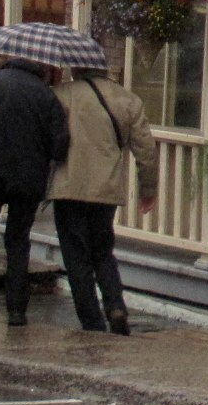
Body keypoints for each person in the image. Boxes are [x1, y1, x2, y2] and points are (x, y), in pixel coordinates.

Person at [0, 57, 69, 325]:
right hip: (28, 179)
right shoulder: (46, 95)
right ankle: (17, 308)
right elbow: (60, 145)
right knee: (18, 239)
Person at [48, 66, 154, 334]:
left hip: (68, 186)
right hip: (105, 188)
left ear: (77, 68)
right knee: (102, 250)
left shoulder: (61, 94)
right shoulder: (129, 100)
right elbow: (146, 150)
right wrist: (148, 189)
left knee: (76, 256)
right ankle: (115, 305)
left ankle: (91, 320)